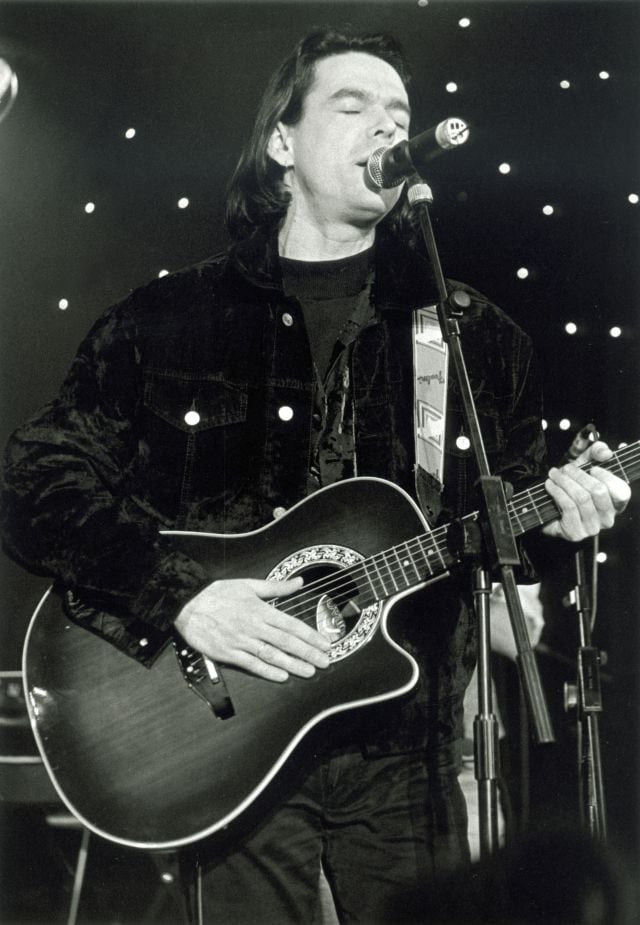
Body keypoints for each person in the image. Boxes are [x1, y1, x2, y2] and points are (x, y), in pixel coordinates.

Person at [0, 28, 631, 925]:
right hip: (227, 741)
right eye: (354, 105)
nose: (386, 126)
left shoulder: (472, 337)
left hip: (414, 755)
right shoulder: (169, 318)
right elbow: (35, 483)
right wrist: (180, 594)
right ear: (282, 144)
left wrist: (570, 515)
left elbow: (510, 540)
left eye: (400, 113)